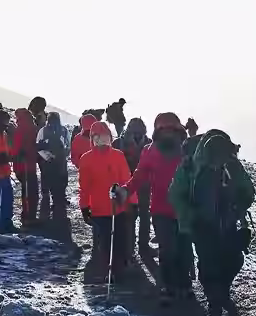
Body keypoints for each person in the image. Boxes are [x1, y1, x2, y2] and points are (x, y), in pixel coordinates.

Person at [170, 129, 254, 316]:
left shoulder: (231, 164)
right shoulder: (191, 165)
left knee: (233, 261)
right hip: (202, 226)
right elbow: (176, 194)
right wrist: (189, 218)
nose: (218, 165)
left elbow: (248, 190)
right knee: (208, 266)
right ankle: (215, 307)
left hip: (227, 224)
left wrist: (240, 204)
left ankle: (222, 293)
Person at [126, 113, 190, 297]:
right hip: (161, 210)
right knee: (167, 249)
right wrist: (125, 191)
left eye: (172, 130)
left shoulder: (187, 151)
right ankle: (168, 286)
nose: (168, 134)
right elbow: (139, 176)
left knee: (184, 249)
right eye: (164, 130)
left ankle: (184, 284)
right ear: (158, 132)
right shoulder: (149, 151)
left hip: (184, 211)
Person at [78, 122, 135, 275]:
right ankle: (109, 270)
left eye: (104, 137)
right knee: (108, 241)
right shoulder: (88, 158)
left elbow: (126, 181)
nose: (102, 141)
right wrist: (84, 206)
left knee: (112, 241)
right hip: (105, 209)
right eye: (99, 138)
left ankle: (113, 269)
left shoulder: (115, 155)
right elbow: (85, 187)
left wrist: (131, 202)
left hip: (112, 208)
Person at [115, 118, 152, 253]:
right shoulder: (119, 143)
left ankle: (140, 247)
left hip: (143, 185)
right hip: (127, 185)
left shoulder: (148, 143)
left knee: (142, 216)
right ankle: (130, 248)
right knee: (130, 216)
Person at [36, 111, 70, 221]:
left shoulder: (43, 130)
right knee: (60, 186)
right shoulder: (64, 130)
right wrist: (62, 156)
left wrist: (48, 157)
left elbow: (39, 146)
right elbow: (68, 146)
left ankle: (46, 212)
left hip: (48, 163)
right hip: (60, 163)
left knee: (48, 186)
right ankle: (59, 210)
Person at [12, 108, 40, 226]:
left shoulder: (19, 129)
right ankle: (29, 217)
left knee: (27, 191)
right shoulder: (31, 128)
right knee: (31, 191)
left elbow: (15, 149)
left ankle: (27, 215)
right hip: (28, 165)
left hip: (21, 166)